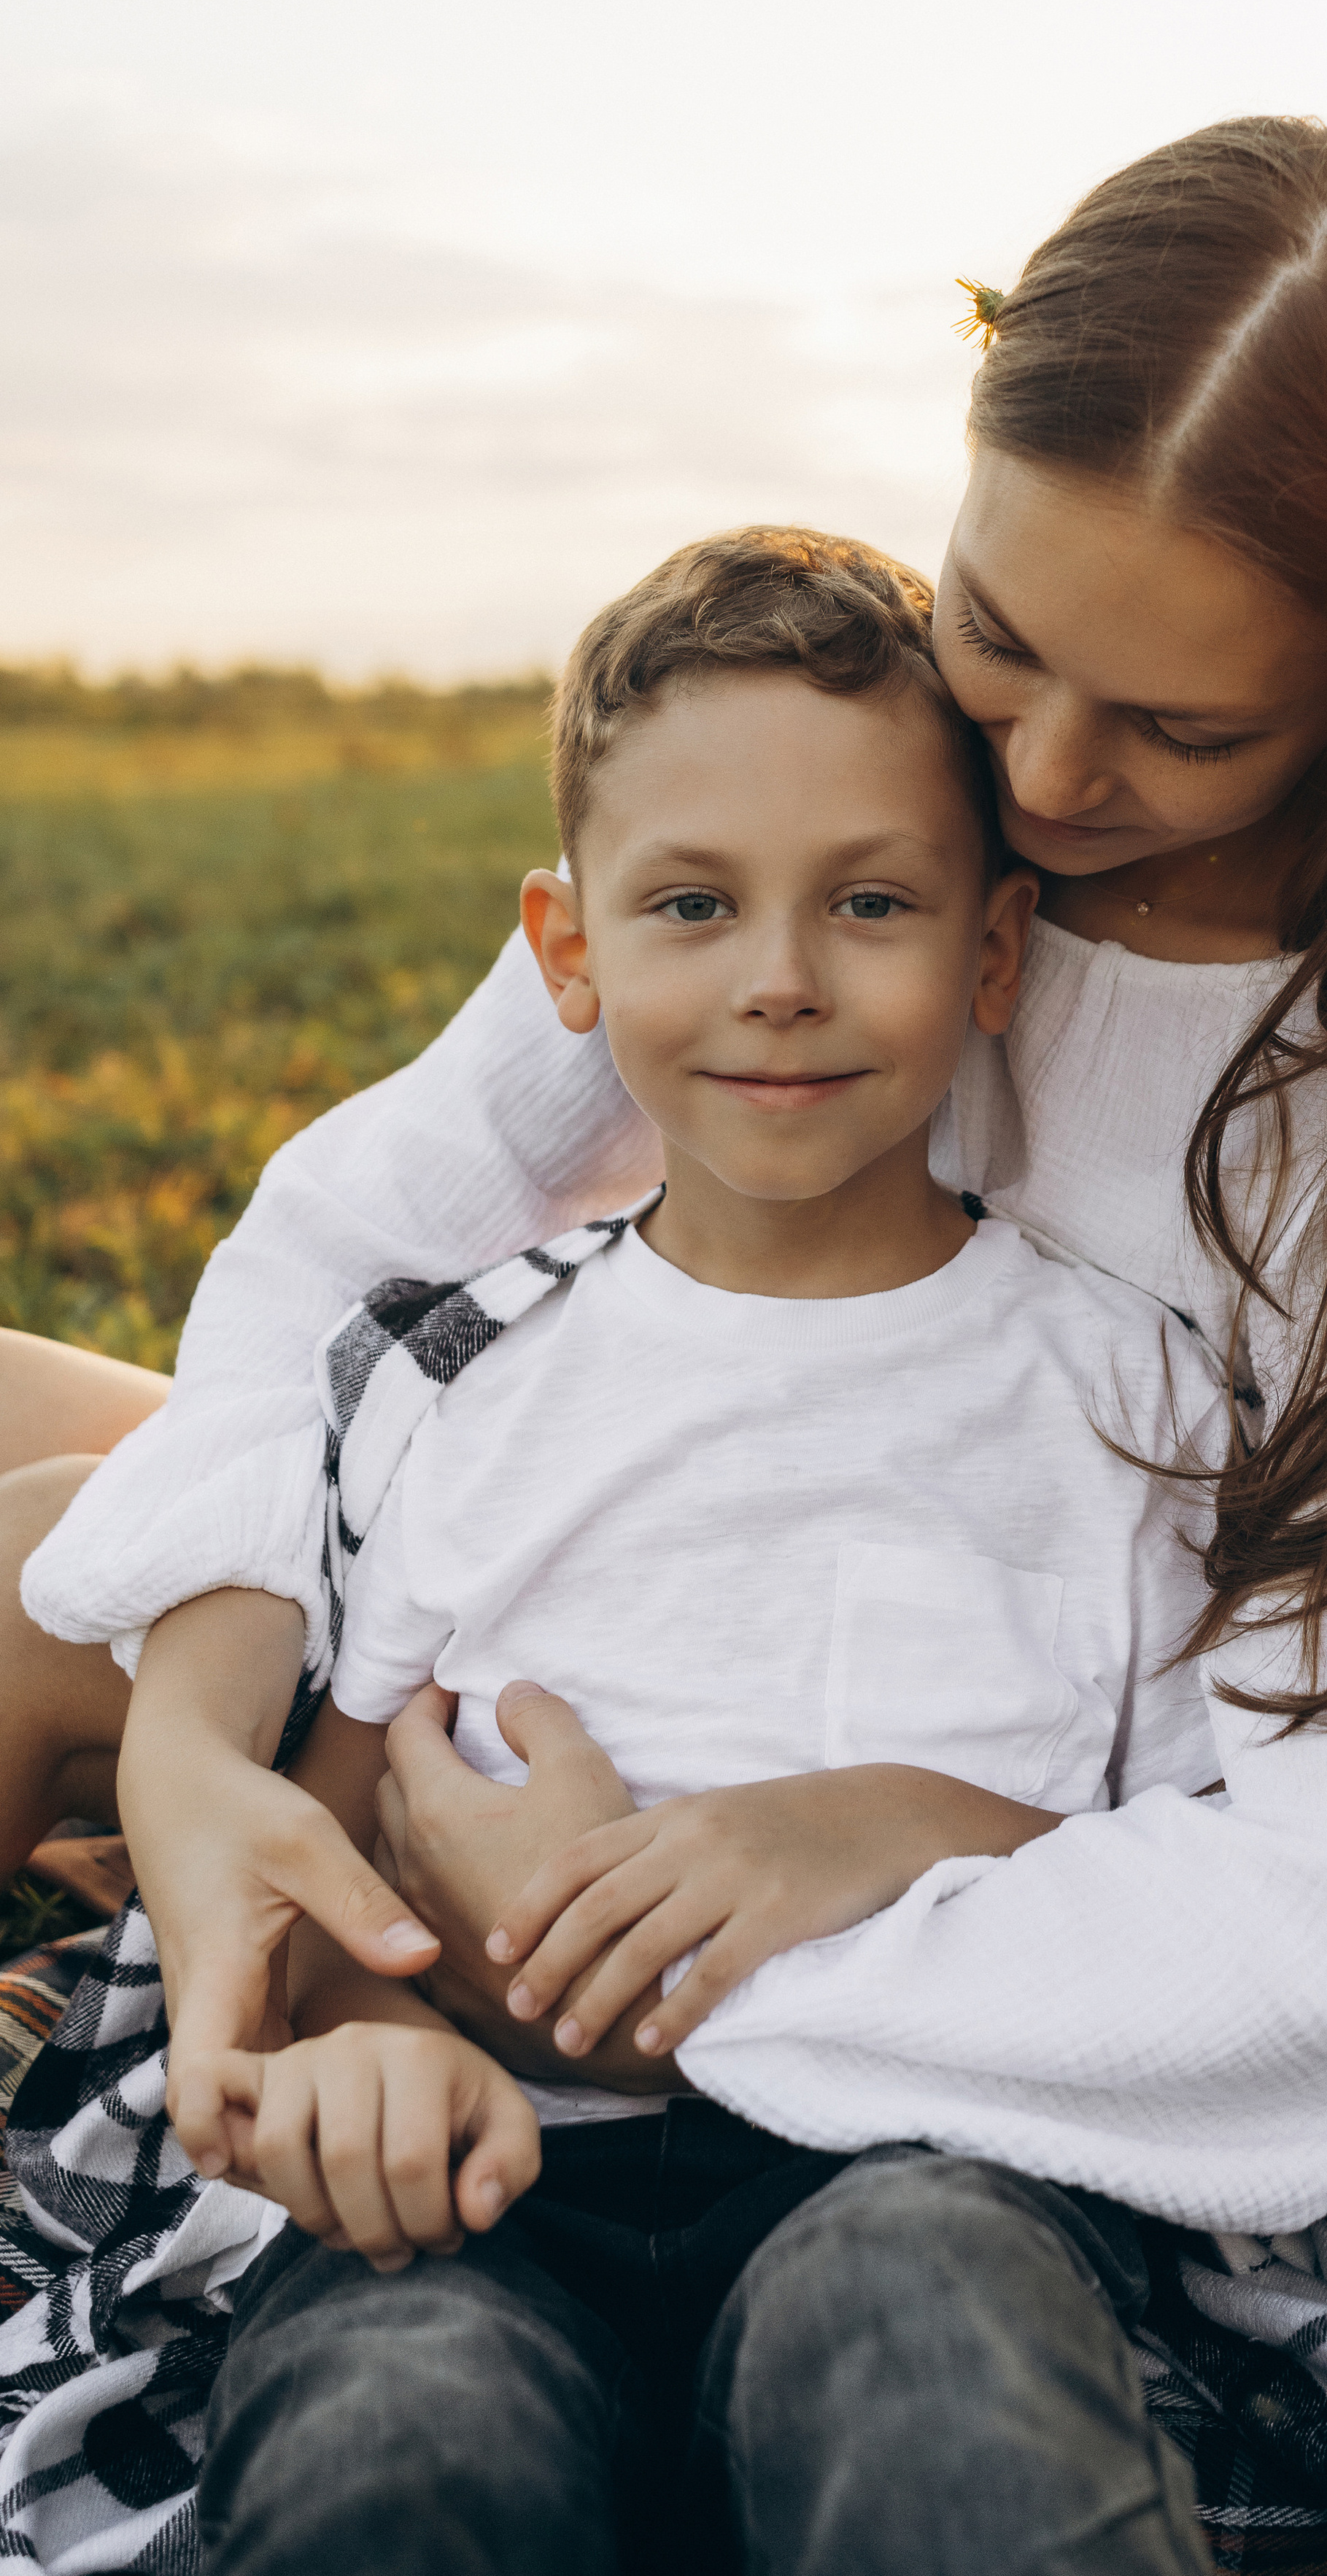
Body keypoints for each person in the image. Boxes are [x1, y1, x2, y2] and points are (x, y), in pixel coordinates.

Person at [4, 113, 1327, 2335]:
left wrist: (609, 1967)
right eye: (1002, 632)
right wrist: (201, 1758)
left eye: (1181, 727)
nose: (1043, 780)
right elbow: (353, 1243)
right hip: (691, 1561)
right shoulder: (863, 794)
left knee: (52, 1543)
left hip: (997, 1720)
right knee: (32, 1464)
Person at [183, 533, 1221, 2575]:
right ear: (567, 952)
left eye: (871, 902)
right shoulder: (457, 1377)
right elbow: (322, 1869)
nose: (779, 976)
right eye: (692, 905)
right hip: (487, 2185)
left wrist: (900, 1823)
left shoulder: (1125, 1397)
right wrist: (374, 2049)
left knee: (939, 2376)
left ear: (996, 951)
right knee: (394, 2444)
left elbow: (1209, 1882)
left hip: (934, 2168)